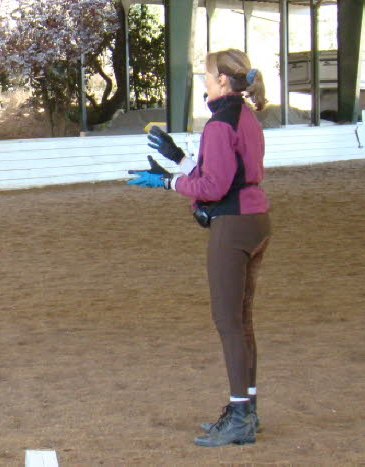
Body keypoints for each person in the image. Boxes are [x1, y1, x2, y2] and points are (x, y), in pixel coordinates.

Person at [128, 49, 271, 447]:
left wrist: (168, 183)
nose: (203, 82)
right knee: (242, 321)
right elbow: (228, 172)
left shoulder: (219, 124)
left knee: (228, 323)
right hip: (256, 220)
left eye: (207, 75)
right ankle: (248, 409)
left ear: (223, 80)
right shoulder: (243, 116)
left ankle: (240, 415)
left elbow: (213, 187)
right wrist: (177, 158)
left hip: (233, 226)